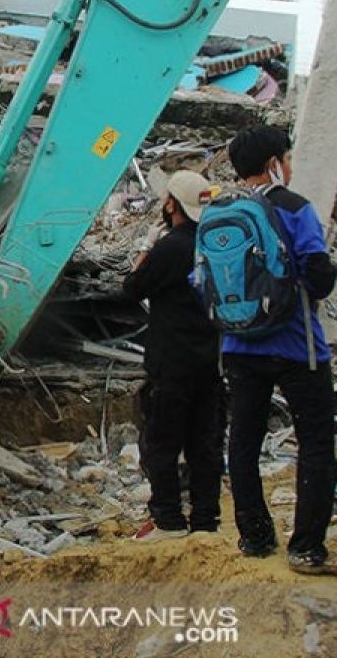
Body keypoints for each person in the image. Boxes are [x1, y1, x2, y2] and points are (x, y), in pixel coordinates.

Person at [220, 125, 337, 576]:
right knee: (317, 444)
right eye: (288, 157)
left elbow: (200, 282)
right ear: (274, 163)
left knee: (243, 441)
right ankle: (307, 549)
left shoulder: (222, 211)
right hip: (297, 348)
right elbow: (319, 276)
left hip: (238, 345)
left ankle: (255, 538)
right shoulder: (296, 209)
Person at [124, 170, 224, 542]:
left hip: (171, 362)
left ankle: (167, 520)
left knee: (161, 443)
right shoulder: (217, 244)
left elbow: (132, 288)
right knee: (205, 444)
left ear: (171, 204)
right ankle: (205, 520)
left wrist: (147, 249)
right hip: (211, 359)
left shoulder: (172, 247)